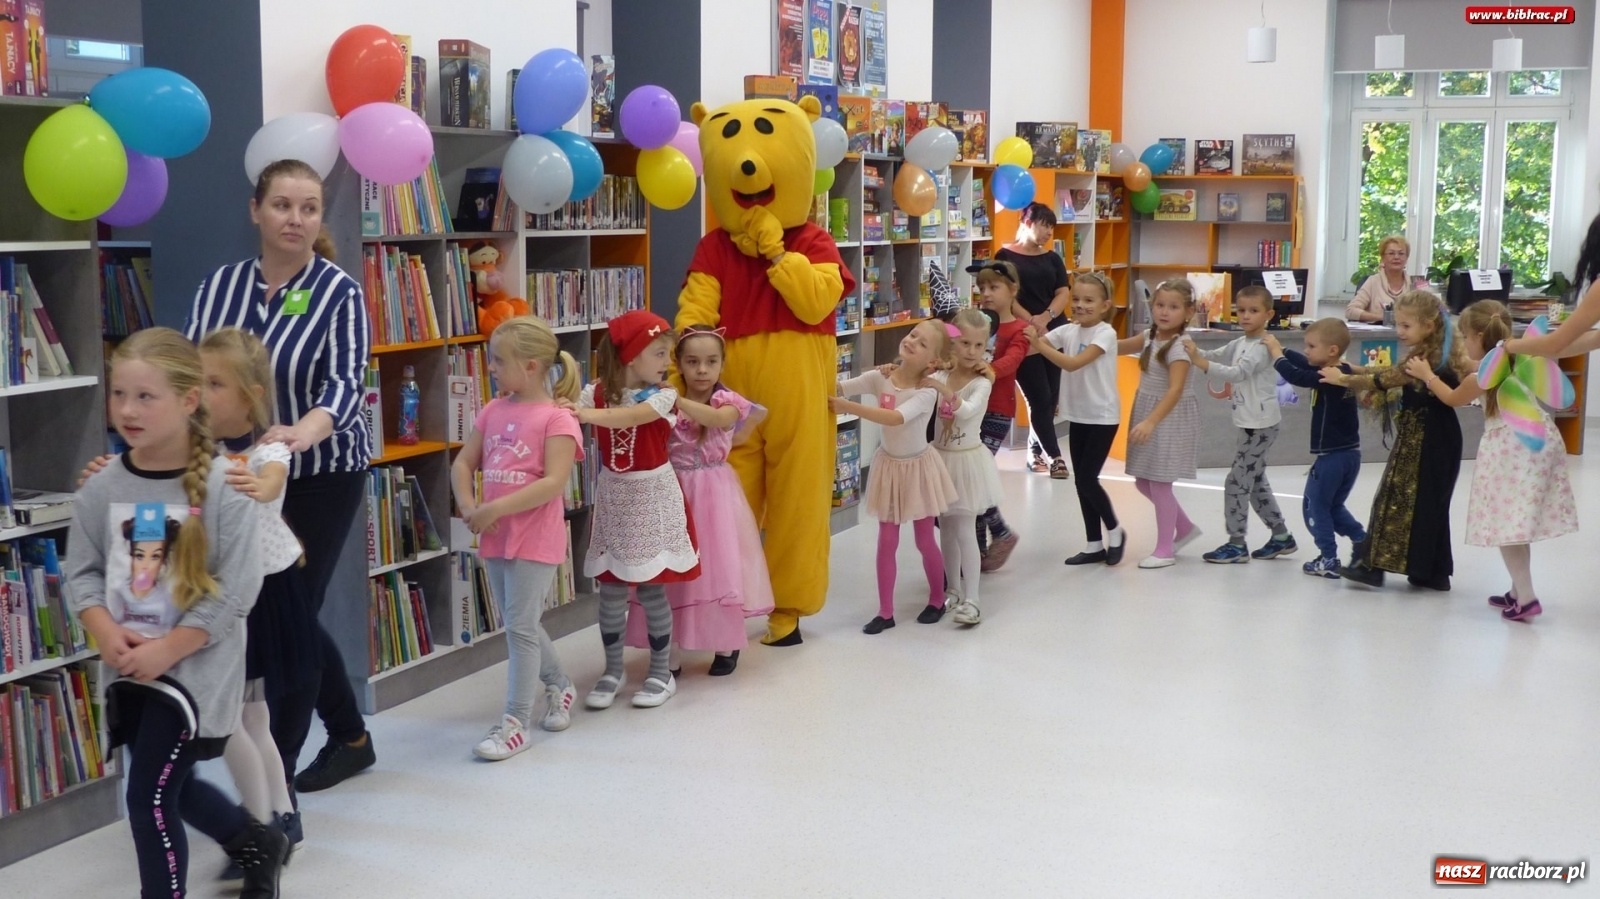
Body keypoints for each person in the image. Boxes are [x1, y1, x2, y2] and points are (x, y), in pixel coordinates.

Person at [67, 328, 282, 899]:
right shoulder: (100, 487)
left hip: (194, 673)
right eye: (119, 395)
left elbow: (237, 590)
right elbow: (82, 573)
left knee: (147, 797)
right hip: (129, 669)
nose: (127, 410)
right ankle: (254, 840)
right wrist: (105, 631)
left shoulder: (225, 487)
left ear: (189, 402)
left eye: (146, 397)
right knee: (169, 783)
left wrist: (169, 648)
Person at [185, 158, 376, 794]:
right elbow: (190, 376)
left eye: (309, 208)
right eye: (282, 205)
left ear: (320, 217)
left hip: (319, 473)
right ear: (256, 211)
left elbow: (347, 382)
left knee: (294, 613)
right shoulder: (221, 287)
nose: (295, 218)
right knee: (278, 613)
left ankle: (280, 781)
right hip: (234, 471)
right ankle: (350, 735)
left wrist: (305, 430)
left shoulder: (339, 291)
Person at [201, 328, 316, 876]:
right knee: (252, 716)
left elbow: (271, 481)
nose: (201, 392)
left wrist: (252, 481)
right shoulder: (202, 452)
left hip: (263, 592)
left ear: (248, 394)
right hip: (231, 592)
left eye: (215, 383)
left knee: (241, 716)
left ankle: (266, 822)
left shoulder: (266, 450)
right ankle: (278, 816)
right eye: (197, 380)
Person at [451, 316, 580, 760]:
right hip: (495, 535)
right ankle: (560, 685)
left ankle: (514, 723)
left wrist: (495, 508)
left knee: (521, 627)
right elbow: (463, 464)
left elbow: (552, 483)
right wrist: (469, 506)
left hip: (534, 537)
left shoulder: (558, 419)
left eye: (497, 361)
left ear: (530, 366)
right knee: (520, 624)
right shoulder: (493, 410)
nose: (490, 368)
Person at [1406, 301, 1577, 621]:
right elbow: (1470, 364)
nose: (1463, 345)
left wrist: (1427, 375)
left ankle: (1526, 599)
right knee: (1517, 522)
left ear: (1477, 336)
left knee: (1505, 526)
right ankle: (1516, 590)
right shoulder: (1516, 356)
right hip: (1540, 437)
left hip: (1511, 447)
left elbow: (1453, 398)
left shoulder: (1486, 374)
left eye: (1465, 338)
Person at [624, 325, 774, 675]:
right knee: (673, 567)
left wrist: (673, 401)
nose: (702, 370)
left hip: (715, 492)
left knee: (719, 566)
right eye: (692, 362)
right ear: (678, 363)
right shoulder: (662, 396)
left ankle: (725, 644)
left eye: (710, 362)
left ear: (722, 364)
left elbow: (719, 421)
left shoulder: (727, 401)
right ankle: (670, 648)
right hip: (671, 490)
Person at [570, 310, 699, 709]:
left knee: (650, 588)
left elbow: (632, 416)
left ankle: (660, 673)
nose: (667, 363)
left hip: (651, 498)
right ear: (631, 355)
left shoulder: (664, 395)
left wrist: (587, 415)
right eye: (659, 353)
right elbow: (568, 411)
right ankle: (613, 670)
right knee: (609, 590)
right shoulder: (593, 393)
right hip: (614, 499)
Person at [1320, 290, 1467, 590]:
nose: (1399, 332)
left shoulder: (1428, 358)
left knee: (1395, 499)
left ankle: (1372, 566)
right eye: (1398, 324)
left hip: (1427, 440)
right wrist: (1356, 368)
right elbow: (1392, 373)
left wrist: (1343, 379)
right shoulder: (1432, 351)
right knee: (1426, 503)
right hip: (1429, 438)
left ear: (1428, 325)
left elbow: (1384, 380)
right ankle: (1430, 571)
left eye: (1405, 326)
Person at [829, 320, 959, 633]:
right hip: (889, 467)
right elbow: (841, 387)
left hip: (918, 469)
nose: (912, 340)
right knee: (886, 541)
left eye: (923, 343)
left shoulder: (926, 392)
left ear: (932, 362)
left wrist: (845, 407)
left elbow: (895, 417)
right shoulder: (880, 377)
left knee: (924, 539)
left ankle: (937, 598)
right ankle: (885, 612)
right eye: (913, 334)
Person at [1183, 286, 1298, 563]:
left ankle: (1236, 544)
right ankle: (1281, 536)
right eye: (1241, 310)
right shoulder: (1242, 341)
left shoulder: (1261, 347)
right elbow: (1220, 353)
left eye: (1253, 311)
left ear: (1269, 314)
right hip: (1249, 423)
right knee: (1255, 479)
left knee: (1236, 482)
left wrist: (1199, 363)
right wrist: (1195, 350)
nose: (1245, 316)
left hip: (1261, 425)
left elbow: (1237, 373)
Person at [1027, 271, 1126, 566]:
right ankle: (1094, 544)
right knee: (1081, 483)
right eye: (1077, 299)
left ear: (1105, 305)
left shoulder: (1104, 334)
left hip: (1103, 416)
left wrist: (1039, 344)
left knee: (1086, 479)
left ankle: (1115, 530)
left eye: (1089, 300)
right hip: (1079, 415)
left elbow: (1071, 364)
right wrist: (1027, 338)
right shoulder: (1069, 331)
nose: (1081, 305)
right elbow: (1038, 343)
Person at [1264, 320, 1368, 578]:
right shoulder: (1340, 369)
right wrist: (1285, 350)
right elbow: (1304, 363)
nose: (1306, 350)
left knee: (1315, 507)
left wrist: (1277, 355)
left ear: (1332, 350)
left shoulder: (1328, 376)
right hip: (1350, 455)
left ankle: (1328, 557)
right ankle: (1363, 541)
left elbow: (1298, 375)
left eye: (1311, 346)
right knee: (1333, 506)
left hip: (1332, 457)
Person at [926, 310, 1002, 626]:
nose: (972, 352)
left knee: (966, 530)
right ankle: (953, 590)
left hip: (967, 462)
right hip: (940, 459)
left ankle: (973, 600)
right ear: (954, 343)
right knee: (945, 528)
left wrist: (939, 386)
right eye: (965, 344)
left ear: (987, 346)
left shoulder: (981, 383)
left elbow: (968, 412)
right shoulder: (941, 374)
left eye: (979, 345)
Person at [1123, 279, 1202, 569]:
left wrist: (1150, 422)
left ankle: (1165, 549)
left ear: (1188, 312)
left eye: (1173, 307)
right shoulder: (1150, 336)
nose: (1164, 312)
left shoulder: (1179, 347)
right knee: (1144, 480)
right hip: (1150, 410)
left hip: (1168, 416)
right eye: (1159, 305)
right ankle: (1184, 528)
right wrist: (1091, 338)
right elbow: (1119, 347)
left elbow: (1175, 390)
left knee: (1159, 482)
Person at [996, 202, 1071, 478]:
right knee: (1037, 397)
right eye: (1044, 225)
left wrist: (1046, 317)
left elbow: (1063, 292)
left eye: (1051, 226)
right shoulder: (1004, 256)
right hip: (1021, 335)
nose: (1048, 232)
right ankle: (1056, 457)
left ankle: (1034, 451)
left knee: (1050, 401)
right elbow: (1005, 297)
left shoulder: (1052, 258)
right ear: (1027, 221)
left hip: (1053, 334)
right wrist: (1031, 320)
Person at [967, 260, 1027, 572]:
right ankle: (975, 550)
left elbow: (1012, 360)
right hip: (969, 412)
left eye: (994, 287)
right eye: (981, 288)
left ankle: (1000, 532)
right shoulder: (977, 323)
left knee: (976, 477)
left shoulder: (1019, 330)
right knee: (971, 482)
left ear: (1012, 290)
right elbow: (951, 337)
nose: (986, 294)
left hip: (997, 411)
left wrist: (990, 369)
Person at [1347, 235, 1412, 323]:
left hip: (1410, 335)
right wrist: (1383, 317)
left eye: (1401, 253)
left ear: (1407, 257)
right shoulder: (1373, 281)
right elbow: (1351, 311)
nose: (1396, 257)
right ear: (1383, 258)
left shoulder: (1414, 283)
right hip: (1378, 334)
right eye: (1391, 253)